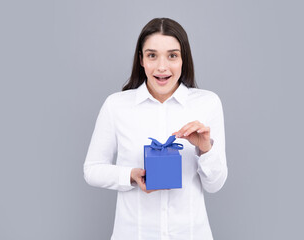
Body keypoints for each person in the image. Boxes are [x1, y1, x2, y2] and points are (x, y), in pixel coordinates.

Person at [83, 17, 228, 240]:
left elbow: (215, 185)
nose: (162, 67)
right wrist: (130, 176)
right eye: (152, 55)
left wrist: (206, 149)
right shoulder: (116, 105)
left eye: (172, 55)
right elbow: (91, 170)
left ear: (183, 59)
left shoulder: (207, 103)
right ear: (141, 59)